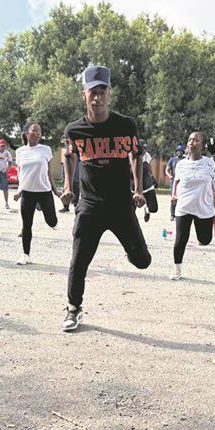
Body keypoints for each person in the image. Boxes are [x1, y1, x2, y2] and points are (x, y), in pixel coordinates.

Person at [60, 65, 150, 331]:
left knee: (143, 262)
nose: (97, 98)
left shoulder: (125, 125)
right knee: (79, 260)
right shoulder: (74, 130)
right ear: (84, 95)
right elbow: (69, 156)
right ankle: (73, 308)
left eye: (102, 91)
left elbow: (136, 155)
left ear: (109, 93)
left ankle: (130, 251)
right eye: (92, 92)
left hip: (121, 205)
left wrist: (138, 189)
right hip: (90, 206)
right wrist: (68, 186)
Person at [170, 132, 215, 279]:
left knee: (205, 240)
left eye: (196, 140)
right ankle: (176, 268)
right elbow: (177, 181)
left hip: (204, 206)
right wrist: (174, 194)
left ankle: (201, 233)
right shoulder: (181, 164)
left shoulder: (209, 163)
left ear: (203, 146)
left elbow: (210, 181)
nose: (192, 142)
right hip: (184, 206)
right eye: (190, 140)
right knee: (180, 239)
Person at [14, 123, 58, 265]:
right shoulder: (20, 151)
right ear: (27, 133)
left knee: (51, 221)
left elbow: (49, 172)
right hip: (27, 193)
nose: (38, 133)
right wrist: (19, 191)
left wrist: (55, 191)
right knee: (26, 225)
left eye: (40, 131)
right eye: (35, 130)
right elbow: (21, 173)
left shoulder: (46, 149)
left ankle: (46, 214)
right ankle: (25, 255)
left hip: (44, 191)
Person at [133, 140, 158, 223]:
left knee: (153, 208)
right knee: (130, 210)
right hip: (133, 187)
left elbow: (149, 168)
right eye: (142, 148)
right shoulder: (130, 156)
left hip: (147, 185)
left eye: (145, 148)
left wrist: (153, 178)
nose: (144, 150)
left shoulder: (147, 155)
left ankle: (146, 209)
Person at [165, 144, 186, 221]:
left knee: (182, 198)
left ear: (183, 152)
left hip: (183, 181)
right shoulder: (172, 160)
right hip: (173, 181)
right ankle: (172, 215)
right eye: (178, 151)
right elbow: (167, 169)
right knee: (174, 197)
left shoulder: (186, 160)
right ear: (176, 152)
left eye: (181, 151)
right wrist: (169, 175)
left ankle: (180, 215)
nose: (179, 152)